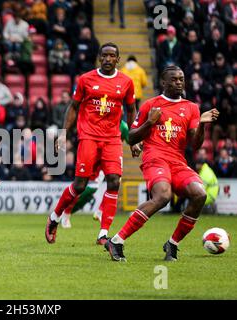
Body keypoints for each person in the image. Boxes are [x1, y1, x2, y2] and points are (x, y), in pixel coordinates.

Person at [105, 65, 220, 262]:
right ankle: (116, 240)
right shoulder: (151, 105)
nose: (179, 82)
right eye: (174, 79)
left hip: (178, 162)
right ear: (163, 82)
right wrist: (149, 122)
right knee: (163, 196)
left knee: (199, 194)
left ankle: (172, 244)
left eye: (181, 79)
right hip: (154, 159)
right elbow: (131, 138)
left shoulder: (191, 107)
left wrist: (202, 124)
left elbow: (195, 145)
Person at [45, 43, 139, 245]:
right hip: (88, 136)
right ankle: (54, 217)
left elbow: (131, 110)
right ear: (98, 57)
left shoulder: (126, 82)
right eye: (104, 56)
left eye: (112, 56)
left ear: (117, 59)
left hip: (112, 139)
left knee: (114, 181)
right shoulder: (86, 80)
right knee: (80, 185)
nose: (107, 59)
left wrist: (133, 138)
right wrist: (63, 134)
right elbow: (74, 106)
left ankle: (103, 234)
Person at [61, 120, 130, 228]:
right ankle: (66, 211)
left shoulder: (124, 126)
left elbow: (131, 140)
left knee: (115, 183)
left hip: (111, 157)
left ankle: (100, 211)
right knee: (85, 187)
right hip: (96, 155)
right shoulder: (102, 119)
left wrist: (138, 144)